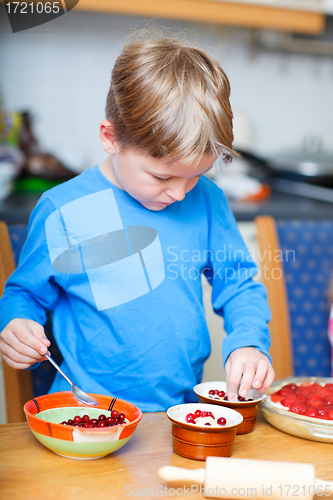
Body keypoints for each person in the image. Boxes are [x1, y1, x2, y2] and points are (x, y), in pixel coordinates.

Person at [0, 34, 275, 411]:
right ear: (111, 138)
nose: (180, 193)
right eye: (162, 178)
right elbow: (25, 294)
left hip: (176, 414)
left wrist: (248, 341)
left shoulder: (207, 200)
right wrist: (16, 322)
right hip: (85, 411)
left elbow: (240, 284)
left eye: (195, 176)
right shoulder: (63, 209)